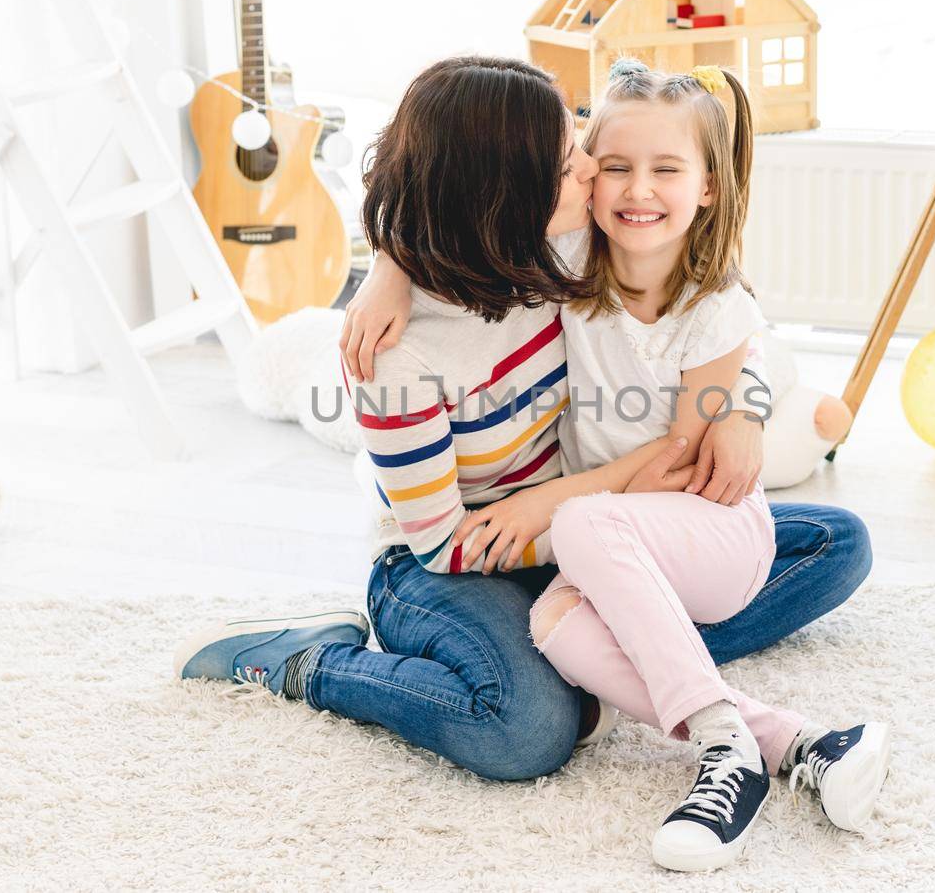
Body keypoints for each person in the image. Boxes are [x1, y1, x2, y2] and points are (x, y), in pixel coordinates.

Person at [173, 57, 876, 843]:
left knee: (836, 545)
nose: (596, 175)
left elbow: (705, 295)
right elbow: (443, 543)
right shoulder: (396, 357)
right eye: (572, 162)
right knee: (528, 729)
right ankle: (312, 665)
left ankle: (623, 663)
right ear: (502, 194)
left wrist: (742, 407)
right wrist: (394, 275)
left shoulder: (558, 253)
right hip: (453, 559)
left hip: (587, 528)